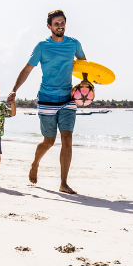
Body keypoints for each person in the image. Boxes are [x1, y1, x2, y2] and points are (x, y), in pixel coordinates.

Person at [9, 10, 89, 194]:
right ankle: (35, 163)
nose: (60, 26)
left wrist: (85, 84)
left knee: (67, 139)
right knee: (49, 141)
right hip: (47, 99)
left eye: (62, 23)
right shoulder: (42, 46)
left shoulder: (74, 44)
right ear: (49, 26)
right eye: (56, 23)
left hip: (68, 98)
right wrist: (14, 89)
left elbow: (85, 64)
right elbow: (27, 69)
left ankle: (63, 183)